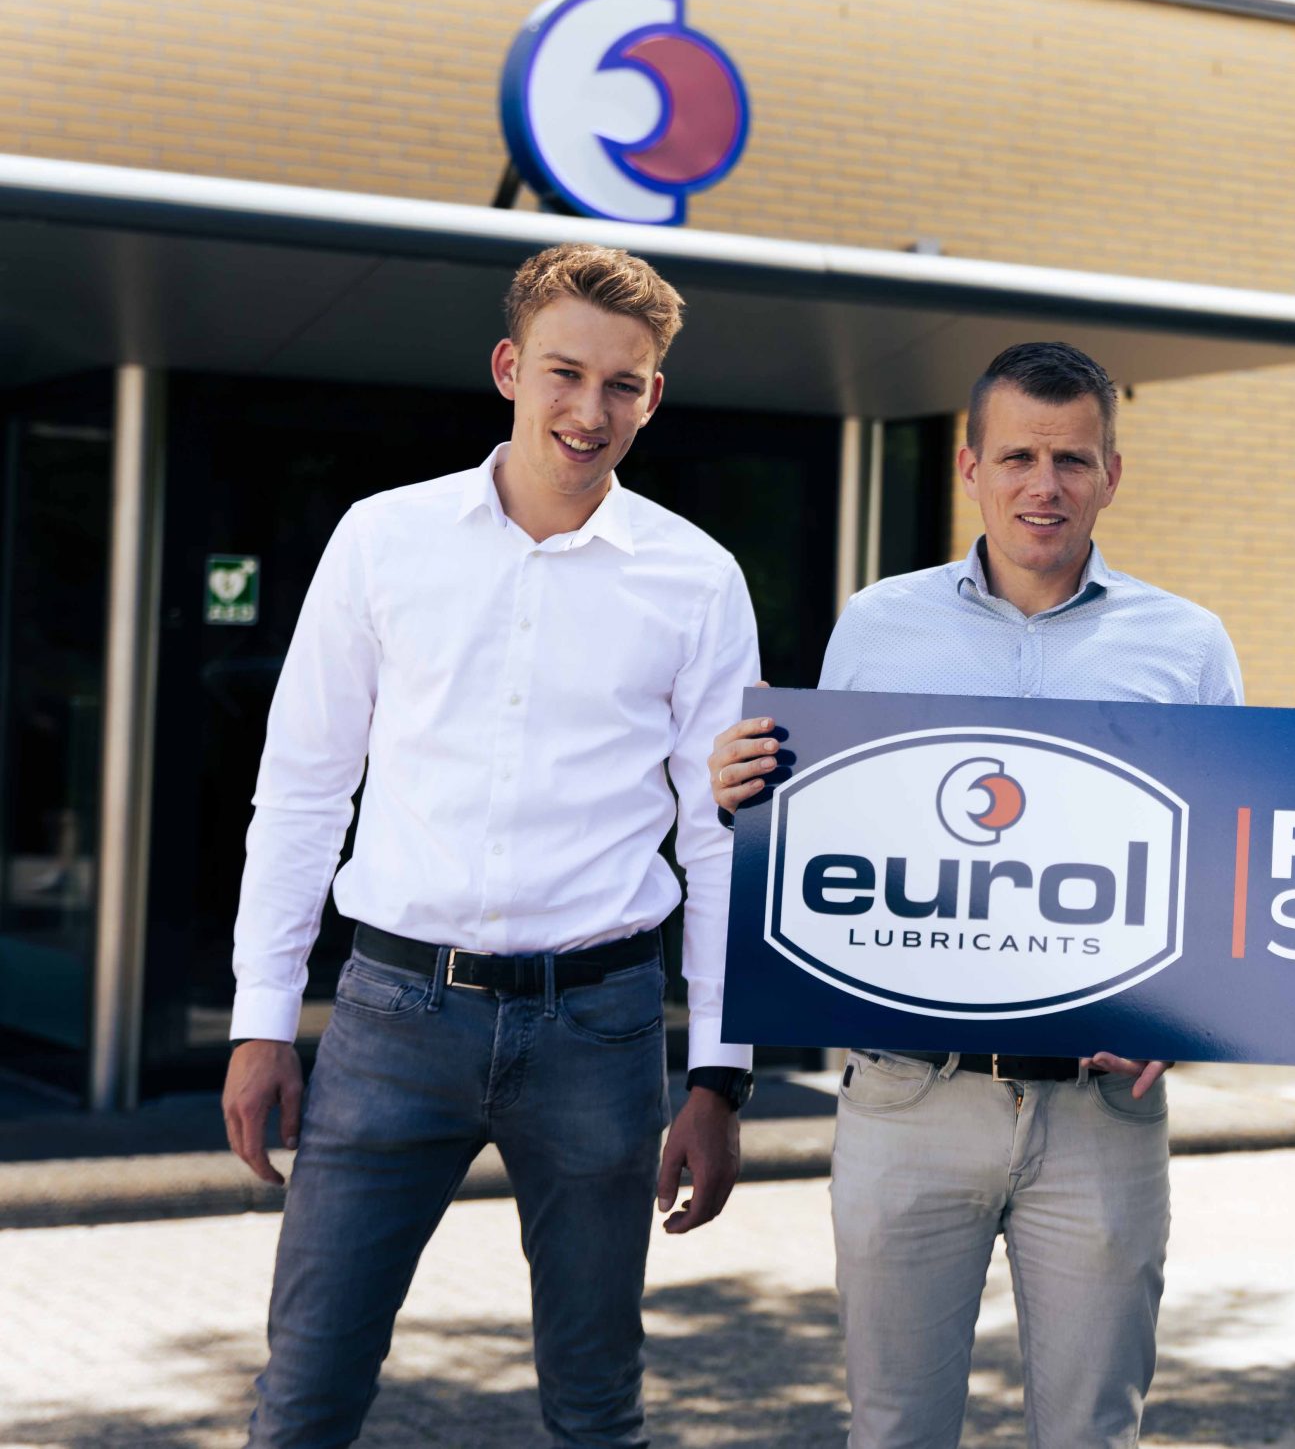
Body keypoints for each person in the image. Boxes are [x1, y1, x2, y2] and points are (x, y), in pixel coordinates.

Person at [221, 243, 761, 1449]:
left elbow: (721, 837)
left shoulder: (698, 579)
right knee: (304, 1397)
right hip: (392, 1019)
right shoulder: (382, 539)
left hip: (600, 1029)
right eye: (565, 373)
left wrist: (719, 1076)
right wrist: (263, 1022)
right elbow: (303, 791)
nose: (590, 411)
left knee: (595, 1409)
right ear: (511, 368)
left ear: (653, 396)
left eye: (622, 384)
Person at [706, 340, 1242, 1449]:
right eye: (1017, 457)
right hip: (908, 1099)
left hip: (1100, 1114)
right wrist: (741, 804)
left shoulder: (1187, 645)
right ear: (969, 467)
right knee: (894, 1430)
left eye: (1072, 459)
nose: (1045, 484)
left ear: (1111, 474)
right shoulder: (877, 624)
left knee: (1091, 1433)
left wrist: (1188, 1020)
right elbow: (828, 834)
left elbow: (1225, 868)